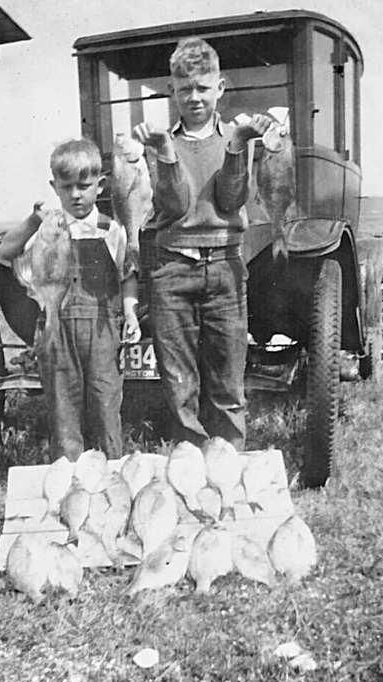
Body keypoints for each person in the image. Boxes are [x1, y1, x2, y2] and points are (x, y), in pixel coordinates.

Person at [134, 37, 271, 450]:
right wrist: (164, 151)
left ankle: (229, 462)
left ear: (220, 87)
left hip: (226, 268)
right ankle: (189, 463)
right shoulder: (158, 141)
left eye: (203, 88)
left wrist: (237, 146)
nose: (194, 97)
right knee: (179, 385)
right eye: (184, 89)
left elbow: (231, 199)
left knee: (228, 382)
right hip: (172, 269)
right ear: (171, 90)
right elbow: (174, 207)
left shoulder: (238, 136)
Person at [0, 138, 140, 461]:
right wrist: (33, 221)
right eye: (67, 187)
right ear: (55, 187)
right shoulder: (48, 228)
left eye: (84, 186)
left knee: (105, 405)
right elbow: (6, 250)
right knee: (63, 409)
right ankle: (70, 476)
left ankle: (111, 473)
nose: (76, 194)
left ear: (100, 185)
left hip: (102, 330)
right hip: (56, 328)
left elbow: (128, 275)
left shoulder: (110, 229)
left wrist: (130, 313)